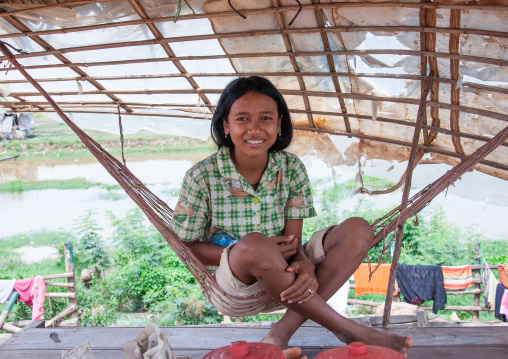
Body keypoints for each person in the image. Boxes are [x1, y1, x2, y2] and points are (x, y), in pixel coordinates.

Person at [169, 76, 412, 358]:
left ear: (279, 123)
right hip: (234, 283)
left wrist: (304, 263)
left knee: (358, 229)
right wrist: (249, 251)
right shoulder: (202, 176)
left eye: (266, 118)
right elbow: (188, 247)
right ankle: (349, 329)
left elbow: (292, 241)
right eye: (242, 119)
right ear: (226, 125)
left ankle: (280, 333)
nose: (255, 129)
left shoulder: (291, 167)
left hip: (285, 273)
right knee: (255, 244)